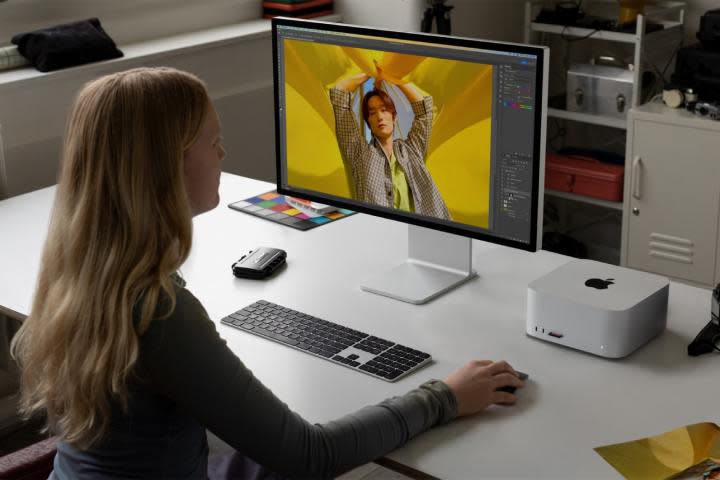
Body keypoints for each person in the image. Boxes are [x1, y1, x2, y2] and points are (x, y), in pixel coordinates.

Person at [10, 67, 524, 479]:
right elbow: (308, 455)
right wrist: (445, 396)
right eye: (213, 142)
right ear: (168, 165)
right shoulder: (158, 309)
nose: (223, 154)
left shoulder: (79, 268)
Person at [330, 61, 451, 220]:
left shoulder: (412, 149)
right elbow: (339, 94)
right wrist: (370, 72)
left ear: (394, 117)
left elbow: (425, 110)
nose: (380, 116)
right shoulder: (360, 153)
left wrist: (392, 78)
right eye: (372, 113)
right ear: (368, 123)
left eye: (384, 110)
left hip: (427, 232)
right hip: (381, 234)